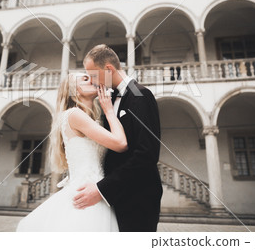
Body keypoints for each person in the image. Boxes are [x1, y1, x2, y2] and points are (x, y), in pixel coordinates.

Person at [16, 71, 127, 232]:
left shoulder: (91, 118)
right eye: (85, 79)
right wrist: (109, 111)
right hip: (86, 191)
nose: (92, 80)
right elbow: (121, 144)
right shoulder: (74, 114)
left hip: (96, 189)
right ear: (74, 90)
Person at [73, 44, 163, 232]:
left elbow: (146, 155)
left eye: (93, 75)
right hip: (113, 201)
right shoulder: (107, 100)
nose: (92, 81)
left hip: (138, 199)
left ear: (108, 69)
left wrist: (102, 189)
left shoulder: (141, 95)